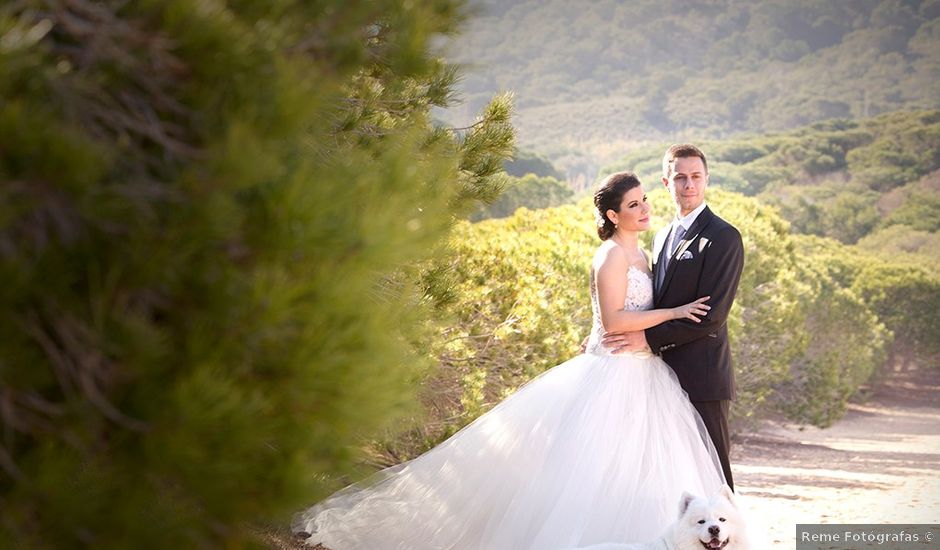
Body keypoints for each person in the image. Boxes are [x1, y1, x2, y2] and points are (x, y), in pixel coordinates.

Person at [292, 172, 725, 549]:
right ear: (613, 215)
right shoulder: (610, 255)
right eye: (634, 204)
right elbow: (613, 319)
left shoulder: (641, 254)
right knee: (590, 471)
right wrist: (672, 313)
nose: (645, 208)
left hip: (643, 373)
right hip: (612, 374)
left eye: (645, 199)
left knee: (638, 468)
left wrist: (647, 338)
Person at [602, 144, 744, 490]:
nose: (689, 185)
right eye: (680, 177)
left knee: (713, 476)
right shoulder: (663, 235)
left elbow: (712, 316)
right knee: (671, 479)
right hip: (657, 378)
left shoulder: (723, 237)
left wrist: (646, 338)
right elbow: (652, 302)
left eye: (696, 177)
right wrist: (604, 332)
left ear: (707, 179)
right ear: (667, 182)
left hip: (703, 376)